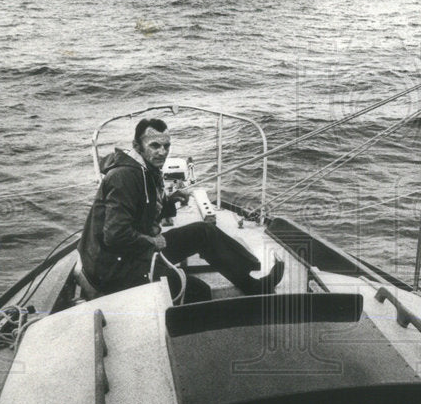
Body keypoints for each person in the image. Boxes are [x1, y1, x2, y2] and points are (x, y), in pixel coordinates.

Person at [78, 117, 283, 299]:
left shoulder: (145, 169)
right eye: (155, 145)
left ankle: (252, 283)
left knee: (204, 232)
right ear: (137, 146)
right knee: (197, 290)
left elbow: (144, 211)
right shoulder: (124, 177)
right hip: (113, 269)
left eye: (167, 146)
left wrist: (169, 201)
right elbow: (115, 235)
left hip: (134, 252)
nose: (162, 152)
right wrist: (150, 240)